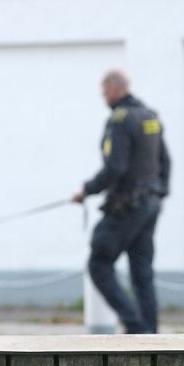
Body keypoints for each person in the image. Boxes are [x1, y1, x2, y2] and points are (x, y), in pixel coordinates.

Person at [72, 69, 171, 334]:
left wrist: (86, 190)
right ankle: (150, 333)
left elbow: (115, 168)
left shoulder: (120, 120)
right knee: (142, 272)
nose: (104, 97)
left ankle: (136, 325)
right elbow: (165, 161)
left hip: (127, 206)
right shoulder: (149, 116)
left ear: (115, 88)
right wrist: (161, 194)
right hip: (149, 205)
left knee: (99, 263)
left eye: (104, 91)